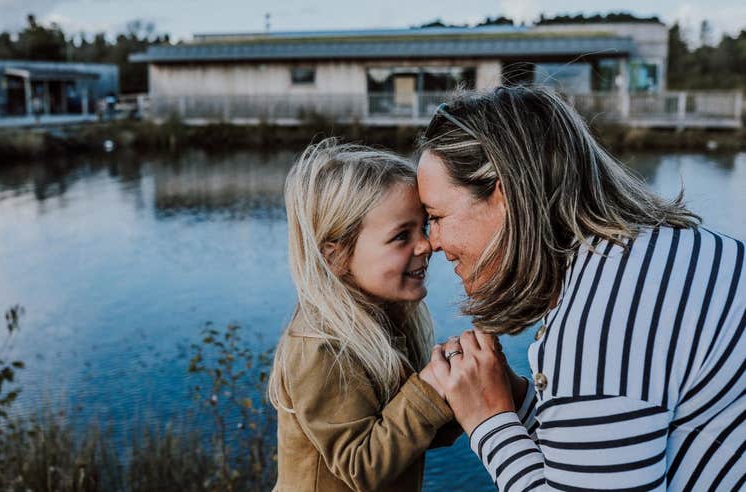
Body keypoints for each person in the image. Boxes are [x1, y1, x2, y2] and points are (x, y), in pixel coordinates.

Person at [417, 85, 746, 491]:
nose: (431, 241)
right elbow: (604, 448)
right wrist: (515, 402)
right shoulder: (648, 257)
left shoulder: (604, 323)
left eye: (437, 215)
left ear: (505, 195)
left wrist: (488, 423)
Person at [269, 139, 466, 491]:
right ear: (336, 256)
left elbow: (401, 434)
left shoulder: (380, 324)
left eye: (423, 227)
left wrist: (461, 389)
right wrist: (429, 389)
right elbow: (362, 466)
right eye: (401, 236)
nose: (426, 245)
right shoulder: (322, 348)